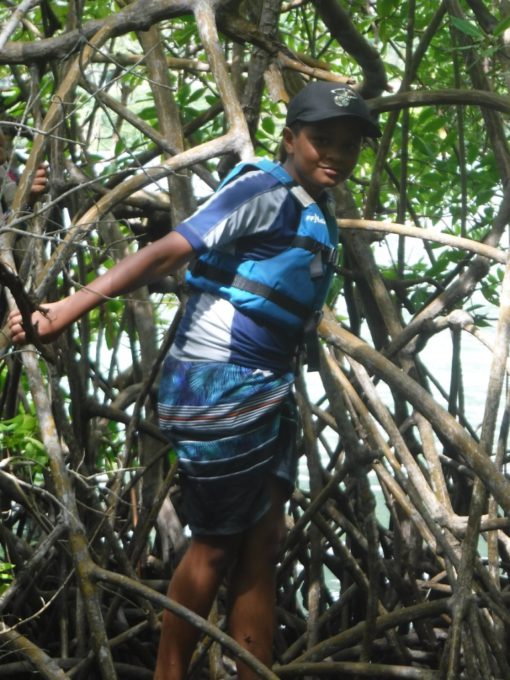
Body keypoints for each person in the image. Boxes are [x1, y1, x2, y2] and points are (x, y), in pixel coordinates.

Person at [8, 81, 381, 679]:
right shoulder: (262, 190)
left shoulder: (317, 206)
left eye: (349, 144)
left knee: (264, 540)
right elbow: (166, 251)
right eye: (322, 140)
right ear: (291, 139)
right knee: (216, 541)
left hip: (268, 386)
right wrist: (63, 312)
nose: (335, 153)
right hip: (218, 385)